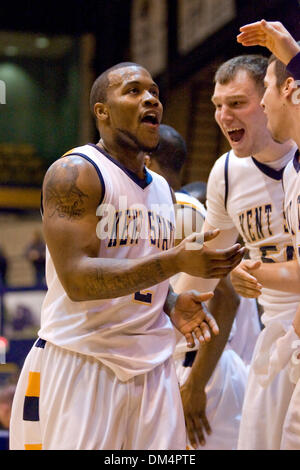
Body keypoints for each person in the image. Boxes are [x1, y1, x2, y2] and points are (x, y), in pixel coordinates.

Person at [9, 62, 244, 450]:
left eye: (154, 92)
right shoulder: (75, 173)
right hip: (85, 362)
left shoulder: (163, 192)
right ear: (102, 111)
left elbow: (140, 266)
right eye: (133, 91)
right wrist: (175, 264)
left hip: (154, 368)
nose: (151, 98)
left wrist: (168, 302)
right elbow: (77, 279)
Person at [176, 53, 299, 450]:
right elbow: (210, 268)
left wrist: (254, 271)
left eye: (237, 103)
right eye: (217, 105)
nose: (224, 115)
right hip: (276, 330)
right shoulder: (226, 174)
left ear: (268, 98)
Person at [146, 124, 259, 450]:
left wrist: (196, 385)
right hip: (217, 370)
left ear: (148, 160)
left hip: (196, 370)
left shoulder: (179, 210)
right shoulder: (167, 210)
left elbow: (226, 295)